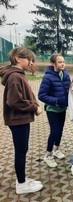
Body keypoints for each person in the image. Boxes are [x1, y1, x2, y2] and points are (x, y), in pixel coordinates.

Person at [0, 47, 43, 194]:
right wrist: (34, 108)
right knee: (21, 151)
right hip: (17, 120)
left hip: (20, 119)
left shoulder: (18, 74)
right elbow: (14, 101)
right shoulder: (14, 77)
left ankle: (22, 177)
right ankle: (21, 184)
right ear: (18, 58)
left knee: (22, 150)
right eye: (29, 59)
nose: (31, 62)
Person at [38, 53, 71, 167]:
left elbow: (69, 90)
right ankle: (48, 155)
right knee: (54, 131)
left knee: (60, 129)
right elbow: (41, 95)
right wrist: (56, 100)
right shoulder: (48, 77)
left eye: (63, 62)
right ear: (53, 63)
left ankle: (56, 149)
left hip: (63, 108)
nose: (62, 64)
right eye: (59, 62)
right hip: (52, 109)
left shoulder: (66, 75)